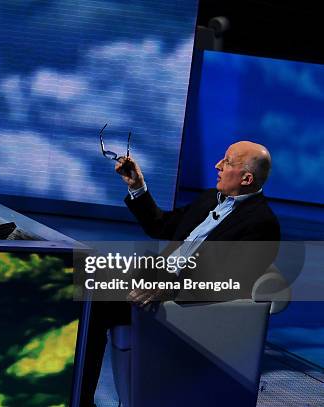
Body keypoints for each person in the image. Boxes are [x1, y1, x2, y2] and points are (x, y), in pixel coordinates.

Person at [80, 141, 280, 406]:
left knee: (95, 303)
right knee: (85, 278)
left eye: (227, 162)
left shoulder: (262, 224)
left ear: (246, 178)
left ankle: (81, 400)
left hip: (180, 298)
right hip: (155, 276)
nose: (217, 166)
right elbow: (161, 226)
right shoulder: (210, 198)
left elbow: (232, 282)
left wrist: (172, 289)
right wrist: (137, 186)